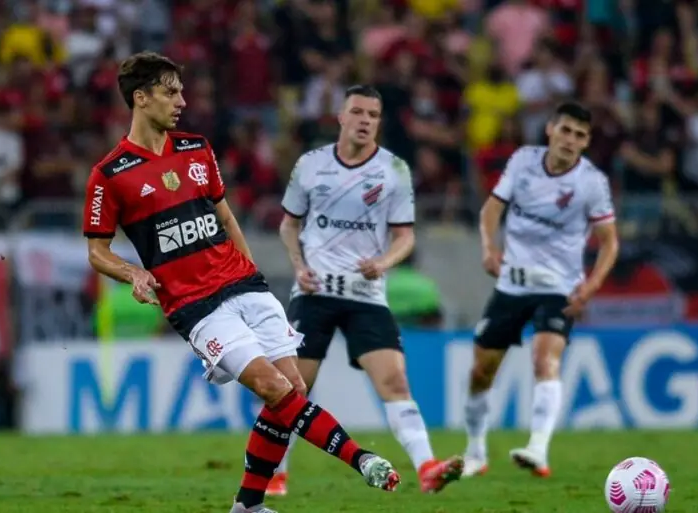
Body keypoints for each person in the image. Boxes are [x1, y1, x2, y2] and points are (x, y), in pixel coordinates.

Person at [81, 53, 400, 513]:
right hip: (196, 306)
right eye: (171, 91)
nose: (182, 101)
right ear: (140, 97)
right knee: (275, 390)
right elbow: (97, 250)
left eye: (181, 91)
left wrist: (252, 277)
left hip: (244, 285)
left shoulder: (196, 149)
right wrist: (134, 272)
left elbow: (225, 216)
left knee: (293, 391)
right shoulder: (110, 175)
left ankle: (247, 507)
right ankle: (361, 458)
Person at [271, 85, 463, 496]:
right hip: (315, 292)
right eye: (357, 112)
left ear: (379, 122)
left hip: (365, 293)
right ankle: (276, 473)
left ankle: (427, 467)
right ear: (340, 117)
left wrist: (385, 262)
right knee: (290, 388)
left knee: (394, 381)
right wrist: (298, 266)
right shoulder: (311, 165)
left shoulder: (394, 170)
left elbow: (405, 237)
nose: (364, 120)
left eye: (373, 115)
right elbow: (288, 224)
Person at [461, 101, 620, 478]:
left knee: (545, 360)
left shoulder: (591, 183)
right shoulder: (522, 162)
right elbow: (491, 209)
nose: (570, 140)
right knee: (481, 371)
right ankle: (475, 452)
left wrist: (592, 285)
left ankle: (538, 449)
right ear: (550, 129)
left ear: (586, 142)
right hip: (512, 285)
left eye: (579, 135)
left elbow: (610, 242)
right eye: (565, 130)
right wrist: (488, 247)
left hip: (558, 288)